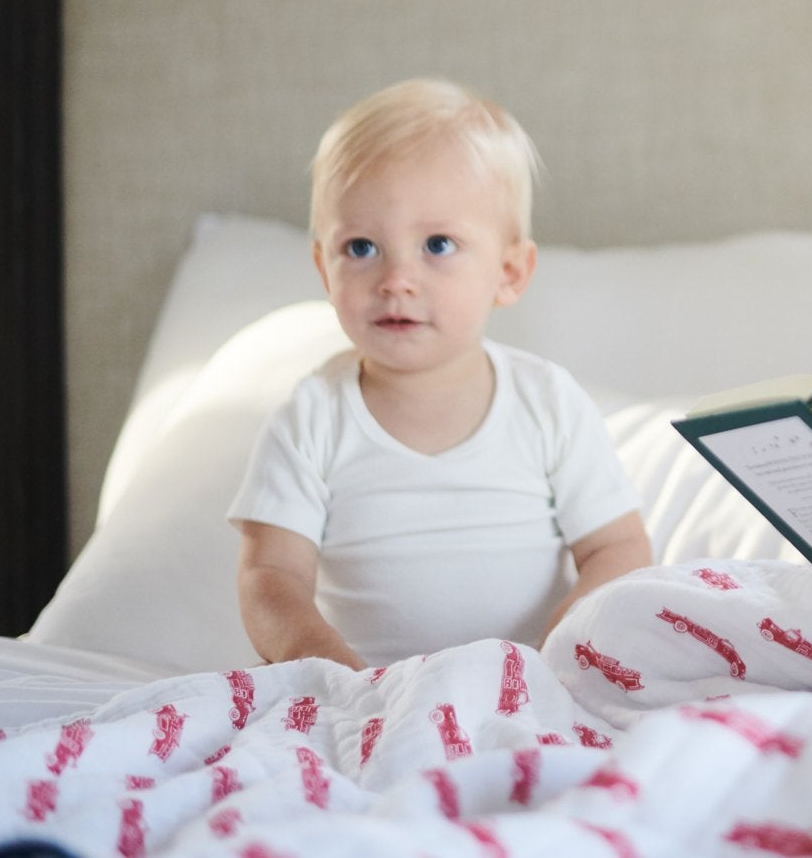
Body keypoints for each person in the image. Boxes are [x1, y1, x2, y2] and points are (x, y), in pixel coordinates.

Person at [228, 78, 652, 669]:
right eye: (360, 248)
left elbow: (619, 548)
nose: (396, 278)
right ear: (324, 269)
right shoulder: (312, 417)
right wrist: (319, 662)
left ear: (509, 272)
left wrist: (564, 641)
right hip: (363, 695)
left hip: (530, 685)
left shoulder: (546, 401)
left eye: (437, 244)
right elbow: (271, 574)